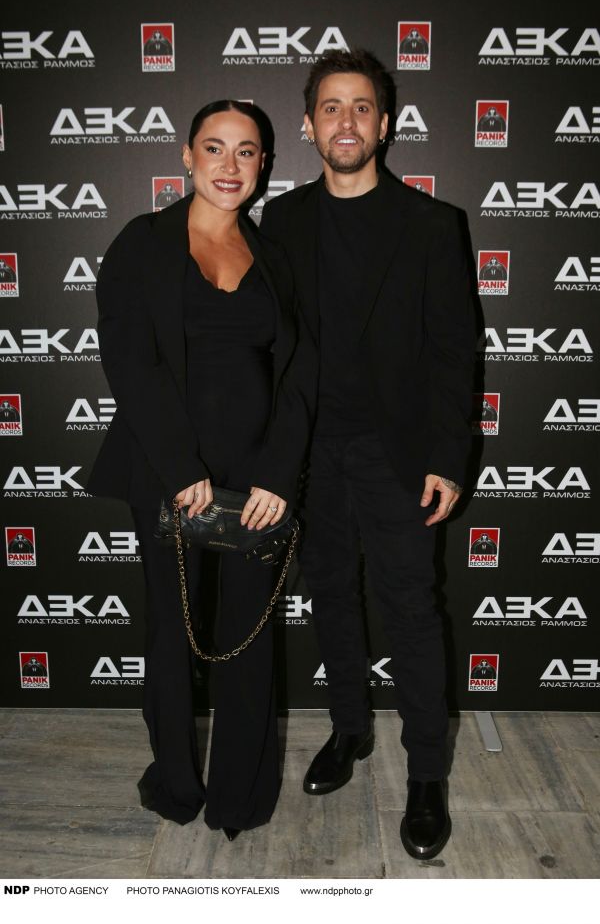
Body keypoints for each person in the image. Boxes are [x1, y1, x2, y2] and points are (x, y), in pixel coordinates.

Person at [260, 50, 475, 860]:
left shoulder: (433, 224)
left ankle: (427, 773)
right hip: (312, 451)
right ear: (308, 124)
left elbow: (454, 354)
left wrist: (447, 456)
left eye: (361, 107)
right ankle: (349, 728)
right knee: (330, 597)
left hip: (398, 454)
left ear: (384, 124)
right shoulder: (281, 222)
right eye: (330, 107)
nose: (345, 121)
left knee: (412, 608)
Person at [88, 100, 316, 837]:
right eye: (214, 148)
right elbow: (131, 361)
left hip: (258, 478)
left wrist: (279, 474)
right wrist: (179, 465)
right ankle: (177, 783)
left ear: (263, 165)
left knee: (250, 634)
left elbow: (299, 374)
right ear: (187, 156)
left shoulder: (277, 256)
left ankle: (240, 798)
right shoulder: (143, 242)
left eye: (246, 151)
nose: (229, 165)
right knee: (171, 630)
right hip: (167, 469)